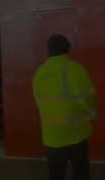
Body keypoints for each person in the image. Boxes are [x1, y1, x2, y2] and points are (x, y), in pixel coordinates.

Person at [32, 34, 98, 180]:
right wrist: (93, 114)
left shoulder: (39, 73)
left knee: (56, 174)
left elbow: (39, 102)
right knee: (81, 172)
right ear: (67, 48)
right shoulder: (74, 69)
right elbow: (86, 99)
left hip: (51, 136)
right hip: (75, 134)